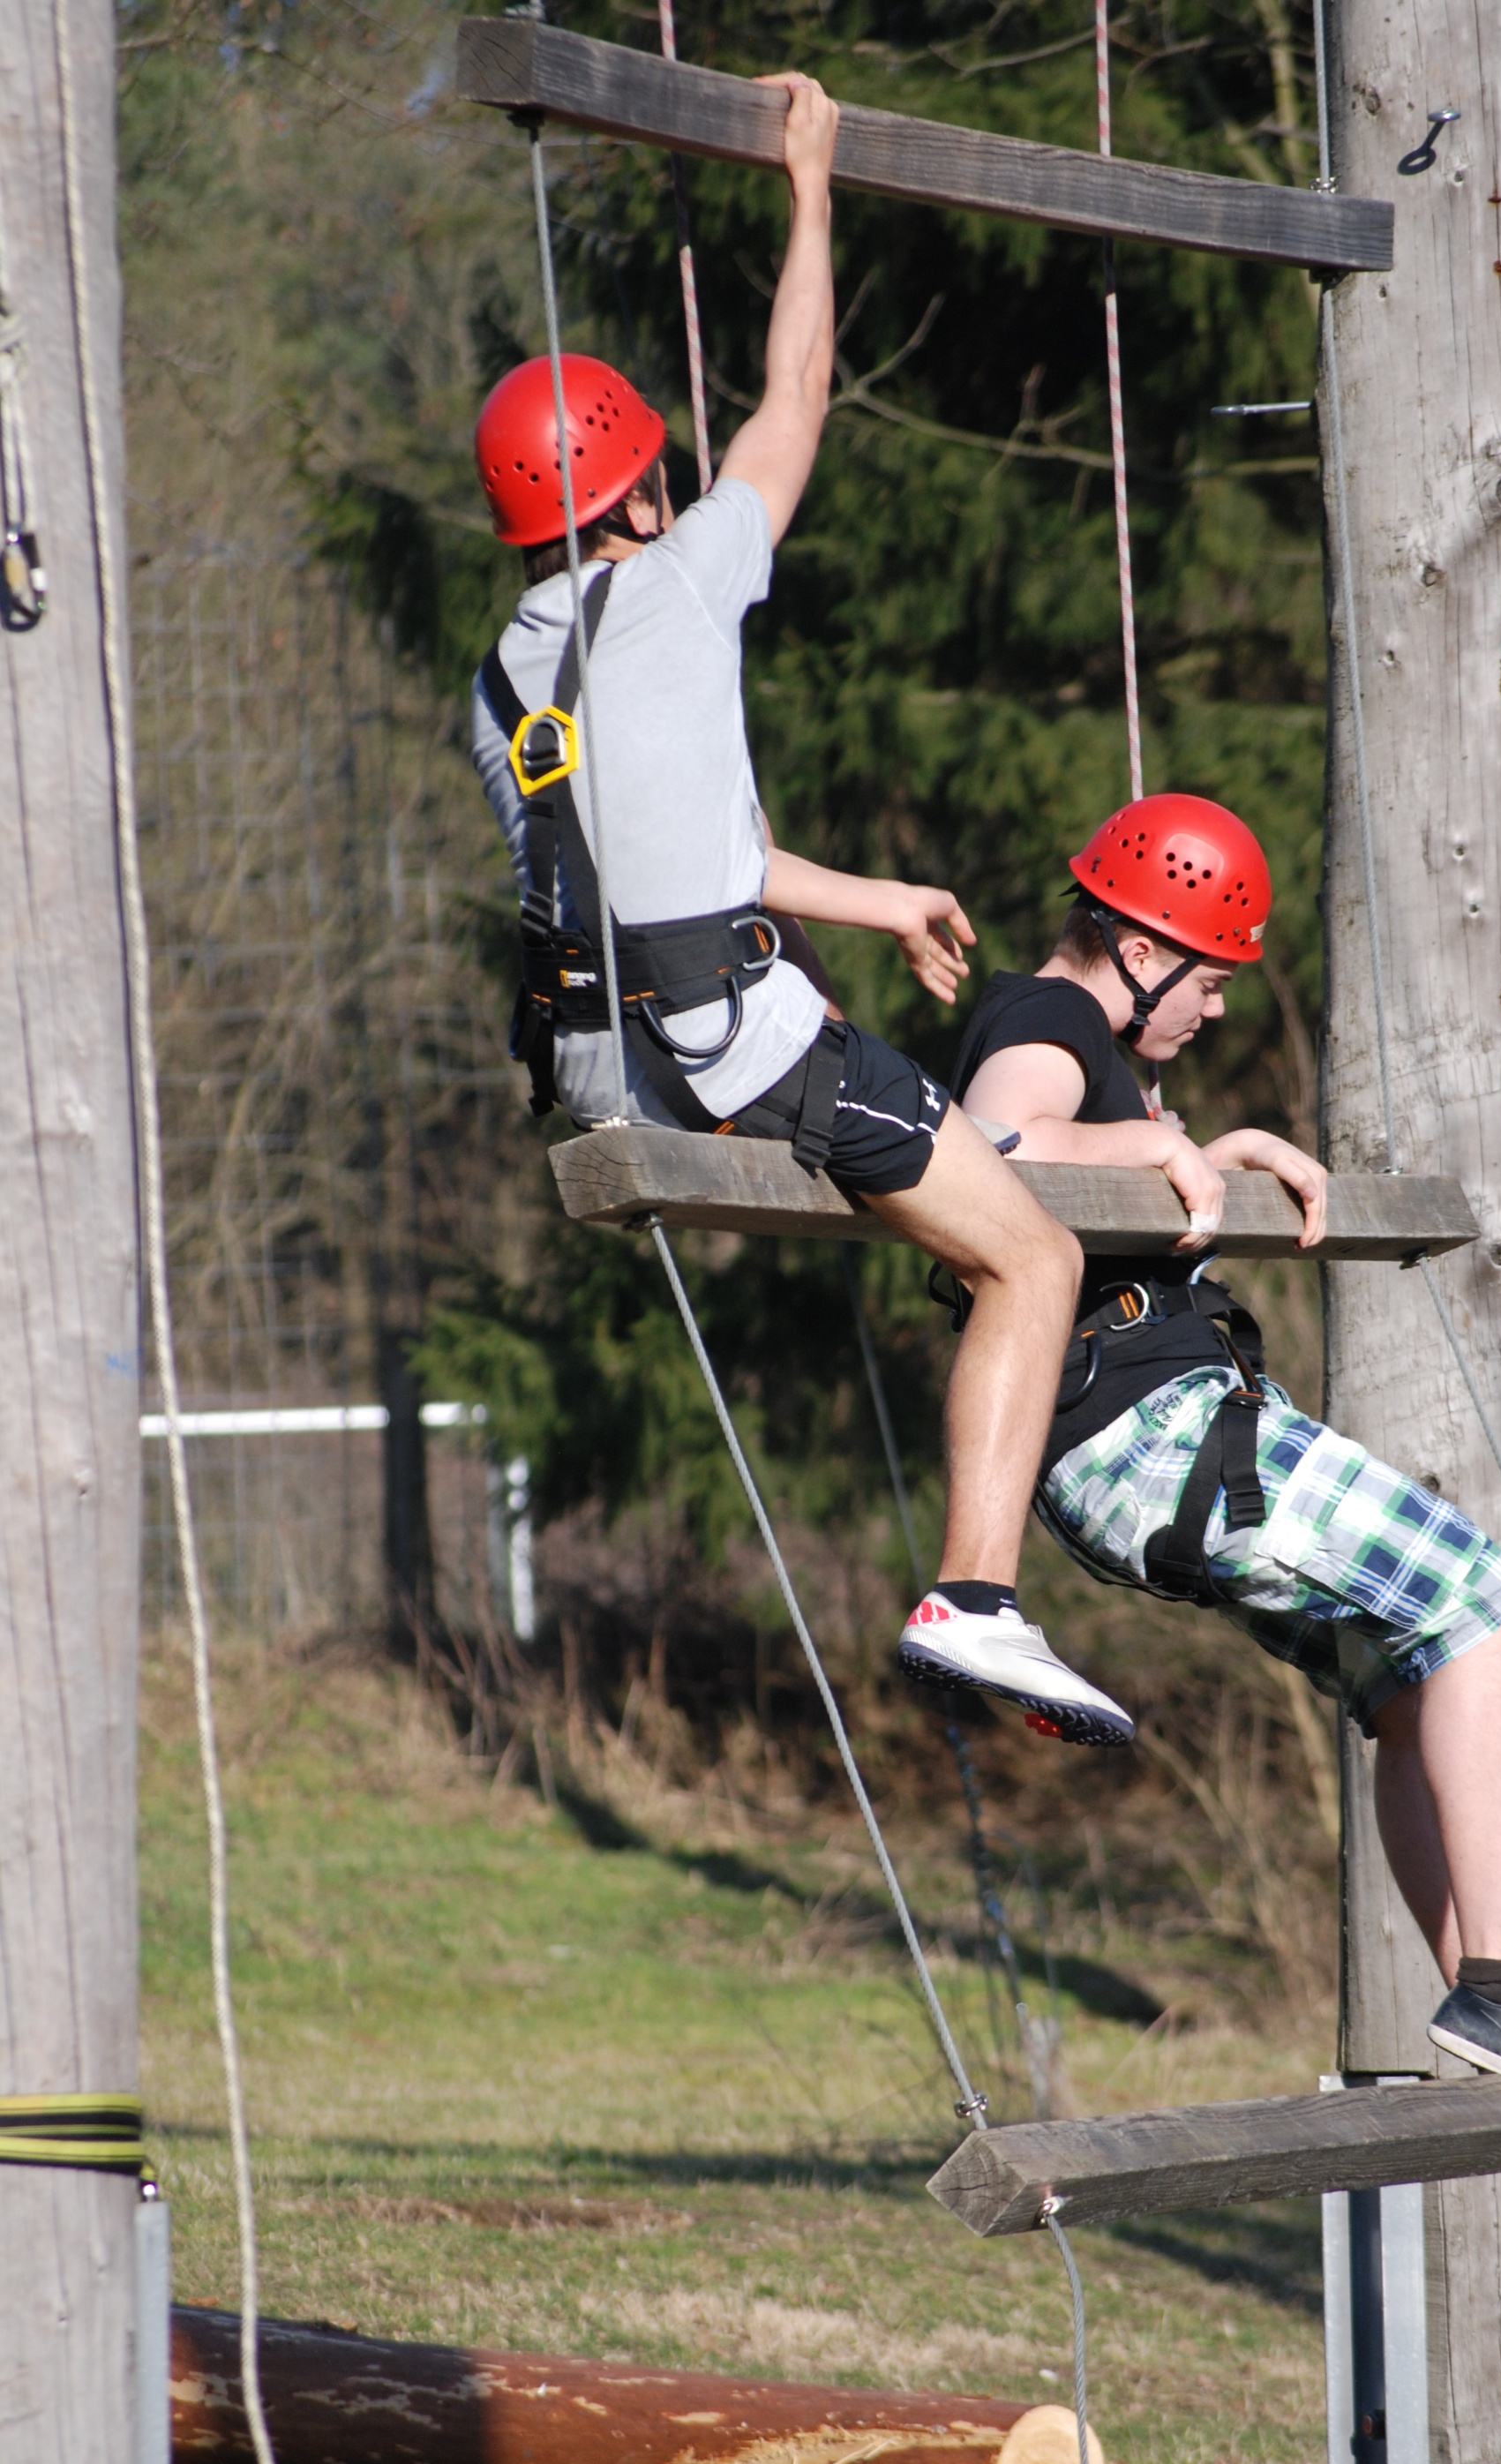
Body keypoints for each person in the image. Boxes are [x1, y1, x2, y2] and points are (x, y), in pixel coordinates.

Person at [469, 71, 1130, 1746]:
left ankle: (983, 1583)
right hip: (738, 1052)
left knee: (955, 1198)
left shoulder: (498, 684)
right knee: (1034, 1258)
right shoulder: (682, 580)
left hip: (606, 1058)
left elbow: (690, 866)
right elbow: (801, 389)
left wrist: (882, 896)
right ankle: (979, 1602)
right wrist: (811, 184)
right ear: (631, 497)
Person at [947, 787, 1501, 2147]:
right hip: (1154, 1432)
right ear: (1138, 948)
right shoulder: (1045, 1021)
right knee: (1490, 1604)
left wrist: (1195, 1143)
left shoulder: (1084, 1037)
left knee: (1420, 1688)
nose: (1220, 1010)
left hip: (1143, 1447)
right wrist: (1166, 1144)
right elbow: (991, 1150)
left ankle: (1494, 1989)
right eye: (1213, 979)